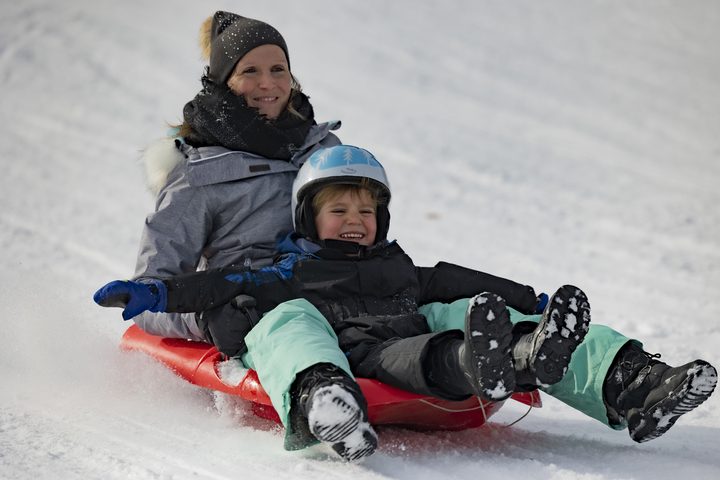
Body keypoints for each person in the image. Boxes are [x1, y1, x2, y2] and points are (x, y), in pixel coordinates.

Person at [95, 145, 717, 461]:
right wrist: (157, 292)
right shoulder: (287, 270)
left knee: (465, 309)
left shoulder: (398, 266)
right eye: (339, 211)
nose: (355, 221)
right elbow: (222, 288)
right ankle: (322, 399)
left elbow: (453, 277)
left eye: (367, 212)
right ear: (308, 218)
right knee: (291, 320)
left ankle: (632, 381)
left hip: (414, 328)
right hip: (362, 356)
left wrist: (532, 298)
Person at [131, 11, 343, 351]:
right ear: (223, 81)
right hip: (264, 323)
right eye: (249, 71)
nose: (267, 83)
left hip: (342, 304)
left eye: (278, 69)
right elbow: (151, 290)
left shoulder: (324, 150)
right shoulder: (198, 175)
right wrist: (209, 319)